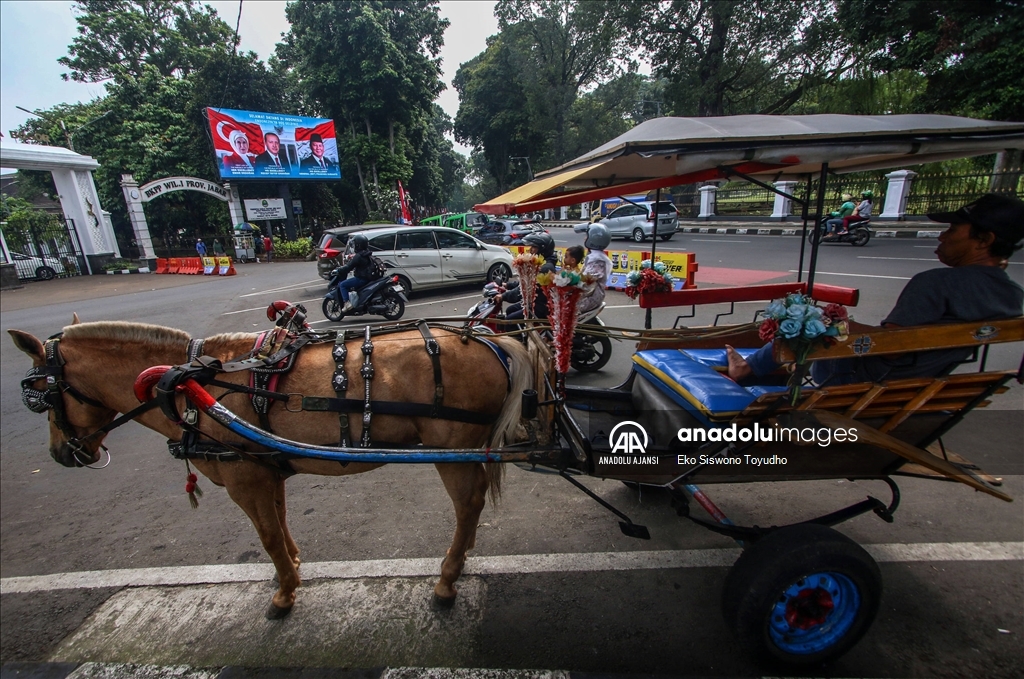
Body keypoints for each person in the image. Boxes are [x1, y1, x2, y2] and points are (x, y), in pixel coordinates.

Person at [727, 193, 1024, 387]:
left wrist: (833, 324)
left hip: (864, 379)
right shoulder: (1011, 295)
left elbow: (889, 347)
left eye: (952, 230)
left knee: (808, 321)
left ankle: (746, 370)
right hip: (921, 381)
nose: (942, 237)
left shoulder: (935, 283)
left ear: (984, 240)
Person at [495, 232, 558, 320]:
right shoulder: (540, 264)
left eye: (534, 247)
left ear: (542, 249)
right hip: (535, 302)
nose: (530, 250)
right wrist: (508, 285)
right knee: (510, 310)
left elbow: (527, 288)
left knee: (509, 320)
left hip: (541, 306)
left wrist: (503, 296)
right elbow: (526, 281)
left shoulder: (545, 268)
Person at [331, 234, 378, 311]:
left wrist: (339, 270)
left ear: (358, 245)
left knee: (342, 285)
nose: (353, 246)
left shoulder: (359, 256)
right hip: (368, 276)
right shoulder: (366, 253)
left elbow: (349, 267)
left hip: (362, 278)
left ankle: (347, 303)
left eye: (354, 244)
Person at [575, 223, 613, 316]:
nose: (584, 238)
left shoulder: (597, 261)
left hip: (592, 297)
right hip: (590, 295)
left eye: (587, 236)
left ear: (593, 239)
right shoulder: (594, 256)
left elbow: (586, 282)